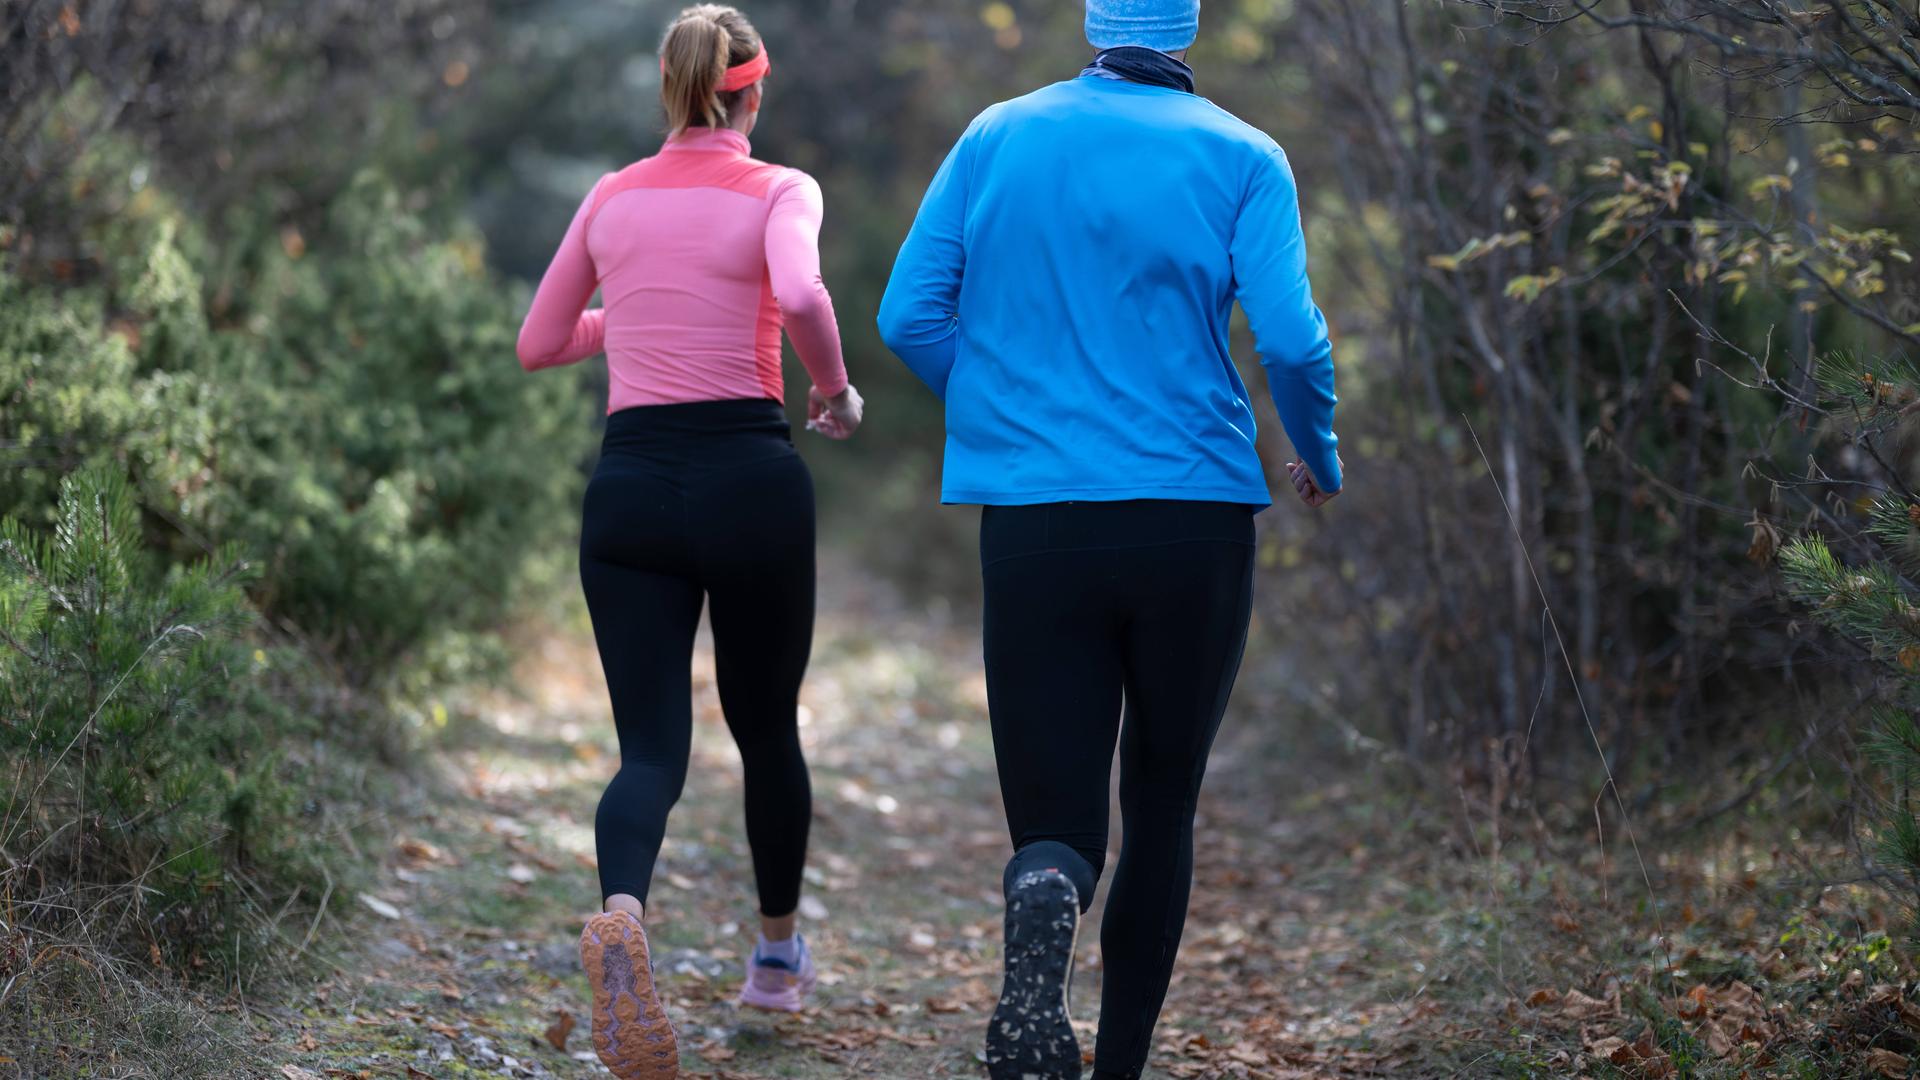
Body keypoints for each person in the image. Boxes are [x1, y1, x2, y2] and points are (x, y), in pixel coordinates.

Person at [877, 1, 1342, 1077]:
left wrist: (1008, 411)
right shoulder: (1246, 154)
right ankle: (1121, 1065)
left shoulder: (997, 133)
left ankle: (1042, 919)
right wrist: (1317, 448)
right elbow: (1289, 338)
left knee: (1056, 818)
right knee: (1162, 802)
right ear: (1188, 29)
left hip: (1038, 519)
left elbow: (909, 313)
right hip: (1195, 520)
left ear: (1095, 23)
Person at [516, 5, 863, 1077]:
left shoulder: (610, 197)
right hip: (749, 482)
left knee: (651, 751)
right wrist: (835, 388)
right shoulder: (780, 189)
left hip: (629, 494)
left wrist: (634, 314)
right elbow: (800, 289)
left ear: (668, 90)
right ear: (751, 93)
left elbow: (539, 344)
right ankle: (773, 960)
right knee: (767, 730)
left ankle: (623, 913)